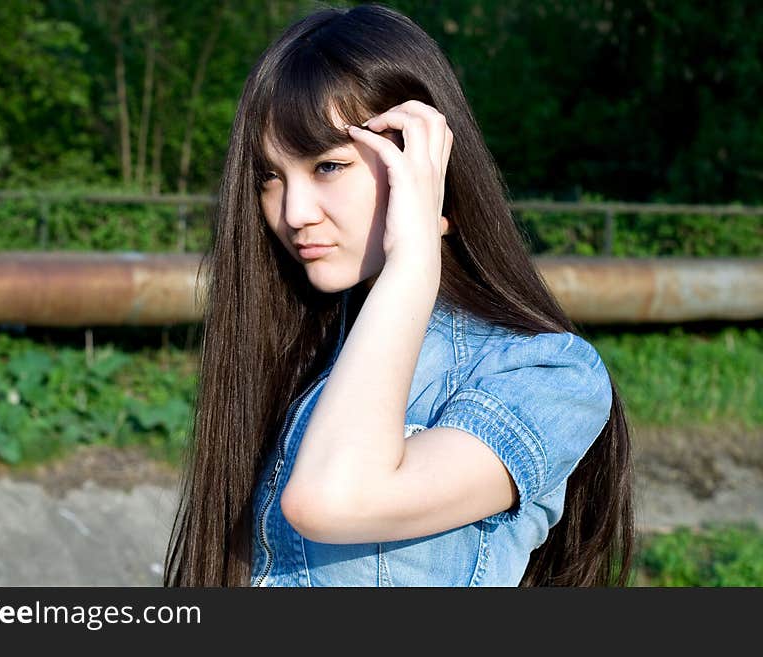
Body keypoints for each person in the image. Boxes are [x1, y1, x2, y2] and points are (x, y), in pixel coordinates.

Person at [164, 3, 633, 587]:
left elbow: (334, 499)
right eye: (270, 177)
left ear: (424, 164)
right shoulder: (296, 353)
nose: (293, 213)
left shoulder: (545, 375)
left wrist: (414, 263)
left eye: (328, 166)